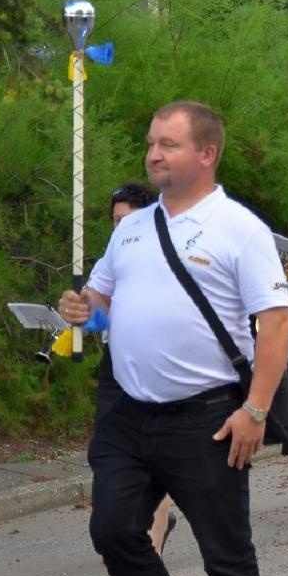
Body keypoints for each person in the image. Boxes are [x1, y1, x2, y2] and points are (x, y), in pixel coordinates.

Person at [59, 100, 288, 576]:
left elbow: (276, 323)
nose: (154, 153)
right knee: (113, 531)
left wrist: (255, 410)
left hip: (209, 417)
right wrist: (81, 307)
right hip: (128, 415)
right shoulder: (131, 229)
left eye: (168, 144)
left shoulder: (239, 229)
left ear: (206, 154)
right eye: (151, 143)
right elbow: (100, 297)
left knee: (226, 555)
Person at [101, 183, 177, 555]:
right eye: (115, 221)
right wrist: (79, 318)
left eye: (127, 220)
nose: (120, 228)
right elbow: (97, 311)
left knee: (155, 457)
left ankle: (156, 533)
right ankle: (130, 522)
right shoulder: (113, 253)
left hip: (155, 366)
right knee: (107, 449)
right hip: (115, 366)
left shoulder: (166, 253)